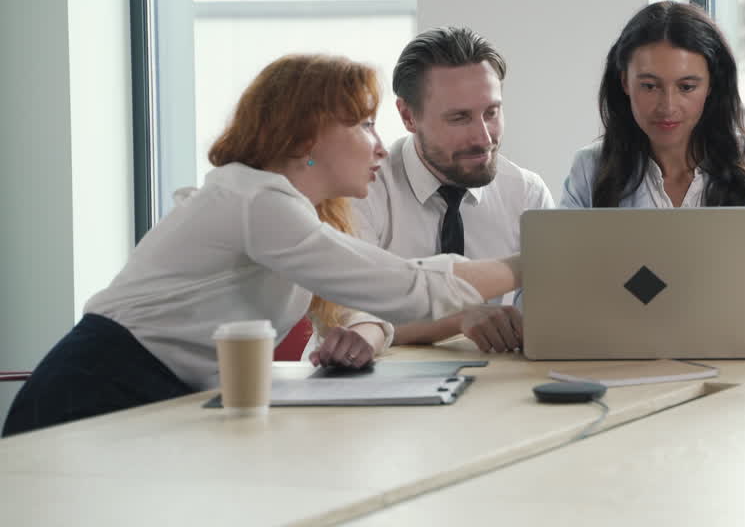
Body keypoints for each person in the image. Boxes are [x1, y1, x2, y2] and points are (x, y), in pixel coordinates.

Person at [3, 54, 520, 437]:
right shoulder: (258, 201)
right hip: (92, 394)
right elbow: (408, 289)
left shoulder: (282, 206)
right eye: (364, 125)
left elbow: (386, 281)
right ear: (306, 138)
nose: (381, 145)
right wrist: (530, 264)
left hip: (153, 398)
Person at [562, 0, 745, 332]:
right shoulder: (590, 167)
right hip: (623, 366)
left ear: (712, 85)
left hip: (735, 368)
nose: (667, 106)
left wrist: (690, 318)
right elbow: (549, 295)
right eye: (650, 86)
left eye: (686, 87)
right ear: (624, 82)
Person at [350, 27, 554, 353]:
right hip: (376, 385)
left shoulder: (525, 193)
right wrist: (458, 318)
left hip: (492, 386)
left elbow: (552, 312)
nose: (484, 138)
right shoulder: (362, 189)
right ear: (408, 116)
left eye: (492, 112)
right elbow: (352, 316)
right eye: (459, 118)